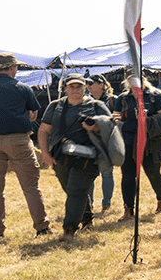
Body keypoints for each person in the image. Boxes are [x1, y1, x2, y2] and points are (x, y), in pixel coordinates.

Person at [37, 74, 115, 242]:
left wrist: (96, 127)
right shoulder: (56, 106)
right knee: (73, 190)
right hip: (61, 158)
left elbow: (112, 128)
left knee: (76, 190)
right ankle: (87, 218)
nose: (75, 90)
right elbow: (44, 130)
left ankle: (69, 229)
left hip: (89, 158)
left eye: (78, 86)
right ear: (65, 88)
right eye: (71, 87)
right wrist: (45, 153)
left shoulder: (97, 105)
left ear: (84, 88)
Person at [0, 53, 51, 240]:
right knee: (30, 186)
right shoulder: (22, 87)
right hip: (18, 141)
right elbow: (33, 115)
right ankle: (41, 227)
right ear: (12, 68)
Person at [114, 74, 161, 220]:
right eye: (130, 78)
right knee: (127, 175)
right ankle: (128, 209)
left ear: (143, 79)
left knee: (153, 173)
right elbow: (116, 117)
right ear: (127, 81)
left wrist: (147, 119)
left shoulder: (155, 95)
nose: (134, 81)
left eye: (137, 77)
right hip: (128, 141)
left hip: (151, 142)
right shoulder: (122, 98)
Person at [86, 74, 118, 214]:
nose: (88, 86)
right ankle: (89, 203)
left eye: (91, 83)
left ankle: (106, 204)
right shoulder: (86, 101)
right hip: (90, 141)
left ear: (101, 84)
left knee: (107, 173)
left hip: (106, 141)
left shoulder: (113, 100)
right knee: (89, 174)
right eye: (87, 83)